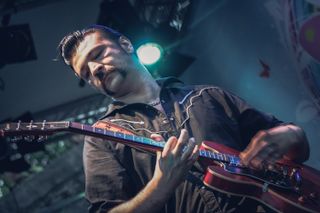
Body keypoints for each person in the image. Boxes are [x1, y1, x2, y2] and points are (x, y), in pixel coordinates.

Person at [58, 25, 310, 213]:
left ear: (125, 44)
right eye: (86, 73)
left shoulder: (208, 95)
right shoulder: (101, 137)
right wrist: (161, 184)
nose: (95, 70)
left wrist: (293, 134)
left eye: (98, 54)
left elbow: (299, 153)